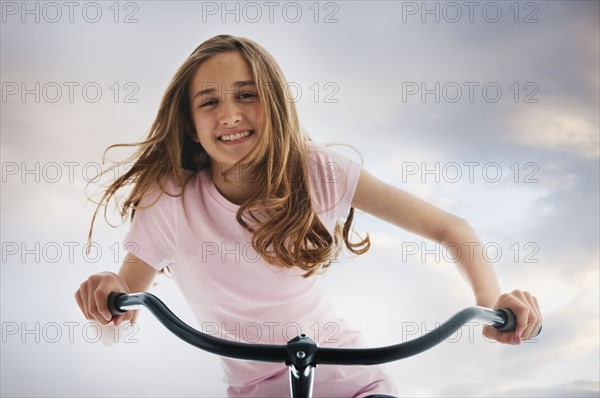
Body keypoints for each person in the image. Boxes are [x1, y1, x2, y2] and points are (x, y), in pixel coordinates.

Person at [74, 35, 542, 398]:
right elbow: (126, 292)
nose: (230, 114)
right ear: (191, 127)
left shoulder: (318, 170)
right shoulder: (169, 197)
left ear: (275, 106)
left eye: (246, 95)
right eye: (210, 101)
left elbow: (450, 229)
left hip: (352, 378)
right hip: (255, 389)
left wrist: (492, 301)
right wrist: (109, 296)